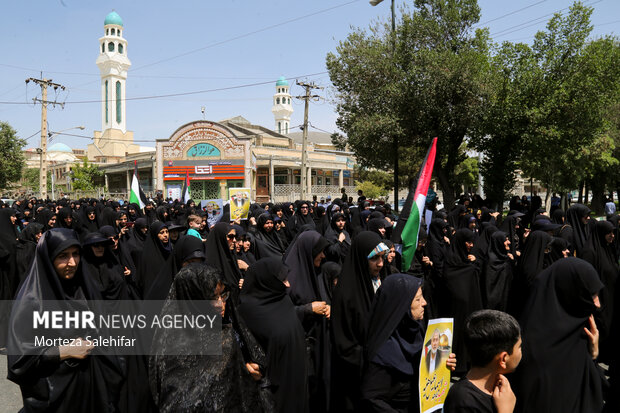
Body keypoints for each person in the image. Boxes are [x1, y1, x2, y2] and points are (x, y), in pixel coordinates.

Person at [7, 228, 125, 412]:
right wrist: (62, 351)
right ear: (48, 257)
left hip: (92, 391)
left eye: (75, 254)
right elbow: (18, 362)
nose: (72, 262)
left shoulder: (83, 288)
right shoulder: (31, 301)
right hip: (55, 398)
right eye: (63, 256)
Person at [149, 263, 270, 412]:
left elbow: (252, 356)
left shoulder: (227, 325)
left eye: (223, 295)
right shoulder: (172, 344)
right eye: (212, 298)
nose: (220, 304)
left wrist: (251, 371)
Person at [512, 258, 605, 412]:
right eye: (590, 294)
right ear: (569, 292)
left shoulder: (578, 336)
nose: (597, 304)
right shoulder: (529, 350)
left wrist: (593, 355)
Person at [361, 274, 456, 412]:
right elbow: (371, 399)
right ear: (401, 306)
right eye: (418, 299)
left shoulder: (416, 332)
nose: (424, 303)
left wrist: (443, 365)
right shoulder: (384, 353)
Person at [239, 258, 308, 413]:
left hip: (297, 386)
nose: (288, 284)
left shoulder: (283, 300)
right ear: (266, 281)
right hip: (274, 396)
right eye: (283, 280)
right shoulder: (247, 313)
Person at [330, 231, 386, 412]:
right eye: (374, 258)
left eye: (382, 257)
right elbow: (344, 344)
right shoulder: (346, 295)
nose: (380, 264)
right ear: (362, 259)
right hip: (355, 378)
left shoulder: (378, 282)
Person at [443, 310, 522, 413]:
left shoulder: (502, 387)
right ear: (503, 359)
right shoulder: (463, 401)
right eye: (519, 346)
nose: (521, 351)